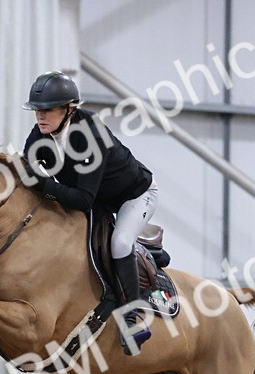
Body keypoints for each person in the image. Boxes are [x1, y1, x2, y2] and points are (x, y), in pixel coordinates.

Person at [21, 70, 158, 354]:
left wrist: (44, 184)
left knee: (120, 243)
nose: (40, 117)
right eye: (37, 110)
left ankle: (134, 317)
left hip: (134, 197)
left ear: (69, 109)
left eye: (47, 110)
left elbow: (82, 199)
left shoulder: (89, 134)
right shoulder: (41, 135)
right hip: (100, 200)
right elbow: (27, 171)